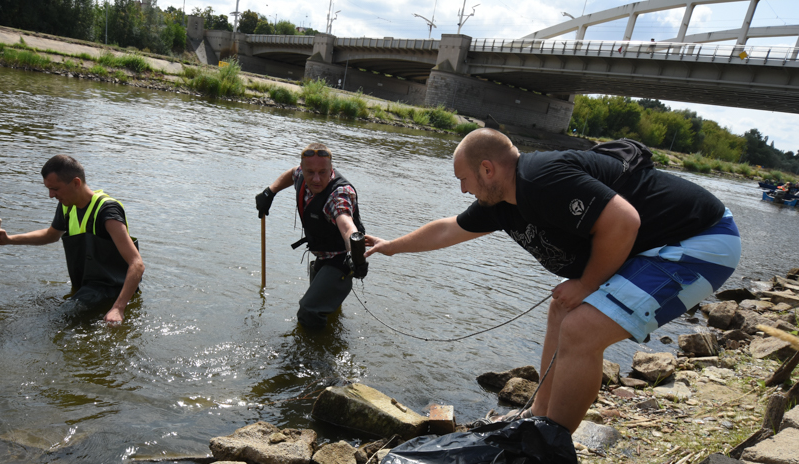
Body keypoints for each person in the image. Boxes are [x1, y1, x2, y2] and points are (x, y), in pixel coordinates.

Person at [365, 129, 741, 434]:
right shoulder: (502, 203)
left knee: (581, 327)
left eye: (464, 179)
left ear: (487, 169)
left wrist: (586, 284)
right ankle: (536, 416)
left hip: (701, 242)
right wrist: (390, 247)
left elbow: (623, 221)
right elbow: (448, 230)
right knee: (561, 310)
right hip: (658, 245)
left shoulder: (542, 179)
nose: (464, 189)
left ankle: (551, 445)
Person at [0, 155, 145, 323]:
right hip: (85, 288)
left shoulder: (107, 211)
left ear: (76, 183)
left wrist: (118, 308)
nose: (50, 195)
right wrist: (9, 239)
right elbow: (50, 235)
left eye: (55, 189)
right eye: (48, 189)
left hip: (111, 290)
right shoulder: (66, 206)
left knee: (56, 321)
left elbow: (137, 264)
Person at [255, 143, 367, 329]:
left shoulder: (338, 195)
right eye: (310, 172)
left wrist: (357, 255)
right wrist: (270, 192)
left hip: (342, 260)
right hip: (322, 256)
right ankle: (329, 341)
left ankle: (313, 358)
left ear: (331, 169)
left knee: (309, 311)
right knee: (328, 312)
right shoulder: (301, 174)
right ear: (304, 169)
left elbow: (346, 225)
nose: (316, 179)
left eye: (323, 172)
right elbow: (292, 173)